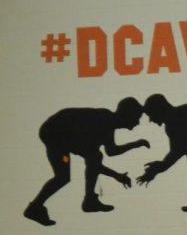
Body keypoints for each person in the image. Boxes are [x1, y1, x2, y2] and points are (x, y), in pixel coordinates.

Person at [23, 97, 149, 226]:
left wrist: (135, 146)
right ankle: (35, 208)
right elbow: (102, 159)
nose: (138, 122)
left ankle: (89, 201)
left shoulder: (108, 122)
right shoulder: (103, 122)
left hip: (63, 133)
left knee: (93, 157)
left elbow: (111, 152)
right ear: (127, 115)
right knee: (64, 176)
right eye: (137, 118)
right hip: (56, 133)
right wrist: (118, 174)